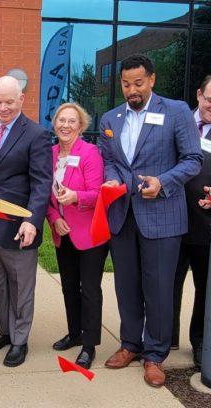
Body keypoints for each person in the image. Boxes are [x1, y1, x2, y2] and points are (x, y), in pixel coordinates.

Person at [99, 54, 202, 387]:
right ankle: (131, 343)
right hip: (122, 215)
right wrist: (113, 180)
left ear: (152, 80)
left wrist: (163, 183)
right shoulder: (109, 118)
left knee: (158, 288)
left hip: (162, 214)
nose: (132, 90)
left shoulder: (176, 112)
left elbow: (192, 160)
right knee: (126, 285)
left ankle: (155, 354)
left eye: (138, 83)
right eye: (126, 84)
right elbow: (110, 160)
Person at [0, 76, 52, 367]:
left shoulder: (36, 134)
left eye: (8, 102)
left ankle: (19, 340)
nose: (2, 107)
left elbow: (41, 183)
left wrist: (32, 220)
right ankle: (5, 331)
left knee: (20, 286)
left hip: (17, 227)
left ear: (21, 100)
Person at [46, 103, 108, 370]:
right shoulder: (49, 154)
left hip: (89, 234)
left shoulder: (90, 152)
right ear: (55, 124)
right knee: (69, 287)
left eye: (72, 121)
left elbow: (97, 193)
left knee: (90, 290)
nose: (66, 125)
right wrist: (55, 218)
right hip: (63, 232)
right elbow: (43, 193)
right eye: (62, 120)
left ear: (81, 126)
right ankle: (74, 333)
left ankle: (89, 345)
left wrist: (75, 198)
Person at [171, 74, 211, 368]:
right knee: (167, 284)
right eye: (210, 99)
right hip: (170, 220)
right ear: (199, 94)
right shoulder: (177, 121)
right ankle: (165, 335)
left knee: (204, 288)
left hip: (205, 226)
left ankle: (199, 341)